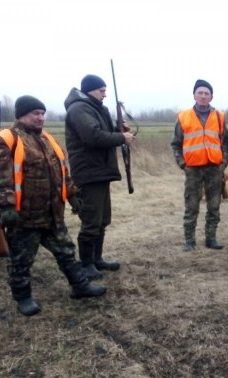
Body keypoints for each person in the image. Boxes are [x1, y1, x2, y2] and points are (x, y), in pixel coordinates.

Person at [0, 95, 106, 316]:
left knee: (67, 252)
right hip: (23, 217)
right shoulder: (5, 140)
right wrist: (6, 208)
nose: (40, 118)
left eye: (42, 114)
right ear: (21, 115)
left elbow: (62, 173)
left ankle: (80, 286)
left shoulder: (48, 140)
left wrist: (73, 196)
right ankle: (23, 297)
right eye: (35, 114)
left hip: (52, 213)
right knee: (21, 261)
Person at [64, 74, 135, 280]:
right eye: (101, 90)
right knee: (91, 221)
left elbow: (103, 132)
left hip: (100, 171)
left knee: (102, 219)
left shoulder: (96, 108)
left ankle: (97, 259)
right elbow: (92, 136)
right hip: (89, 173)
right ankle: (86, 264)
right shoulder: (80, 109)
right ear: (90, 90)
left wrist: (118, 130)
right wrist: (121, 137)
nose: (105, 94)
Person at [171, 79, 228, 251]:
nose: (203, 96)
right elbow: (175, 144)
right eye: (200, 93)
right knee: (192, 206)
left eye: (207, 93)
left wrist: (223, 163)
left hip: (214, 169)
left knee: (214, 206)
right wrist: (183, 164)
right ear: (194, 95)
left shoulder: (219, 117)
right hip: (193, 170)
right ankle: (189, 241)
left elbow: (225, 142)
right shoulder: (183, 117)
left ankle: (211, 239)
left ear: (211, 96)